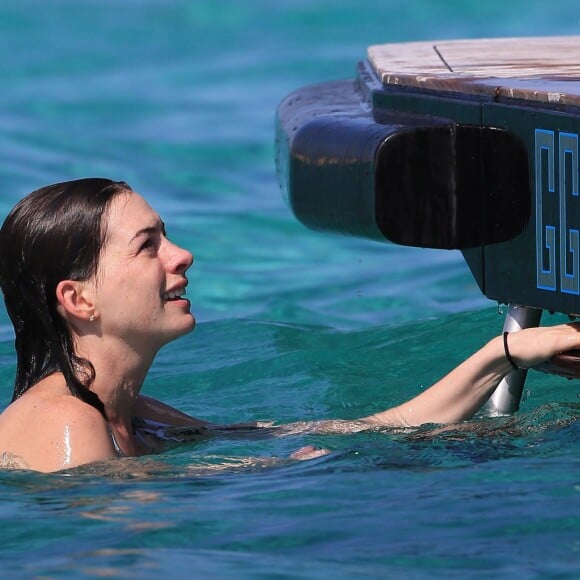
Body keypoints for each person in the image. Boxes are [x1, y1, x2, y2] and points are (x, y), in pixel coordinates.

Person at [0, 178, 578, 473]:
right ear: (78, 300)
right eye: (147, 246)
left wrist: (503, 352)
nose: (182, 256)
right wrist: (266, 471)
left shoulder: (137, 416)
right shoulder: (66, 424)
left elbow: (361, 431)